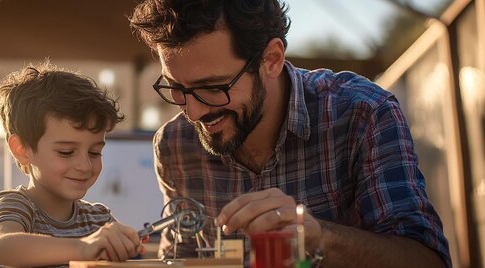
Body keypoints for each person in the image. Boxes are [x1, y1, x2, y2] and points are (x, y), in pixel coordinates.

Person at [129, 1, 451, 267]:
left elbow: (427, 259)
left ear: (271, 59)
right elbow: (180, 258)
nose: (194, 113)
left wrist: (317, 236)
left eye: (212, 88)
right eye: (176, 88)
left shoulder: (362, 114)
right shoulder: (174, 145)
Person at [0, 62, 142, 267]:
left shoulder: (99, 220)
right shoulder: (18, 207)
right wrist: (82, 248)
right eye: (66, 152)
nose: (85, 166)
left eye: (95, 152)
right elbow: (2, 247)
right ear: (21, 149)